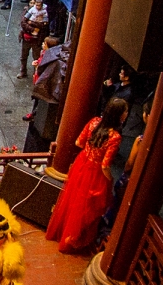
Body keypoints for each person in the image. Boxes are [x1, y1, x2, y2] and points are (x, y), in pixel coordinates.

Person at [47, 97, 130, 252]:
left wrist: (90, 148)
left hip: (82, 163)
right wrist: (110, 179)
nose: (127, 114)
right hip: (95, 172)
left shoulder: (93, 122)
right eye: (125, 111)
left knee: (73, 199)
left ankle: (65, 233)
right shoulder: (115, 137)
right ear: (119, 115)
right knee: (87, 207)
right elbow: (105, 165)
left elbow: (78, 142)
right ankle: (73, 238)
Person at [19, 0, 49, 79]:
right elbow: (23, 23)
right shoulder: (28, 11)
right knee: (24, 55)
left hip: (37, 39)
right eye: (31, 3)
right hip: (27, 37)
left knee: (36, 57)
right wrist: (32, 29)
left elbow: (44, 25)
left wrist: (32, 23)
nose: (33, 5)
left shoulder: (44, 12)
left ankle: (36, 73)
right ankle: (23, 70)